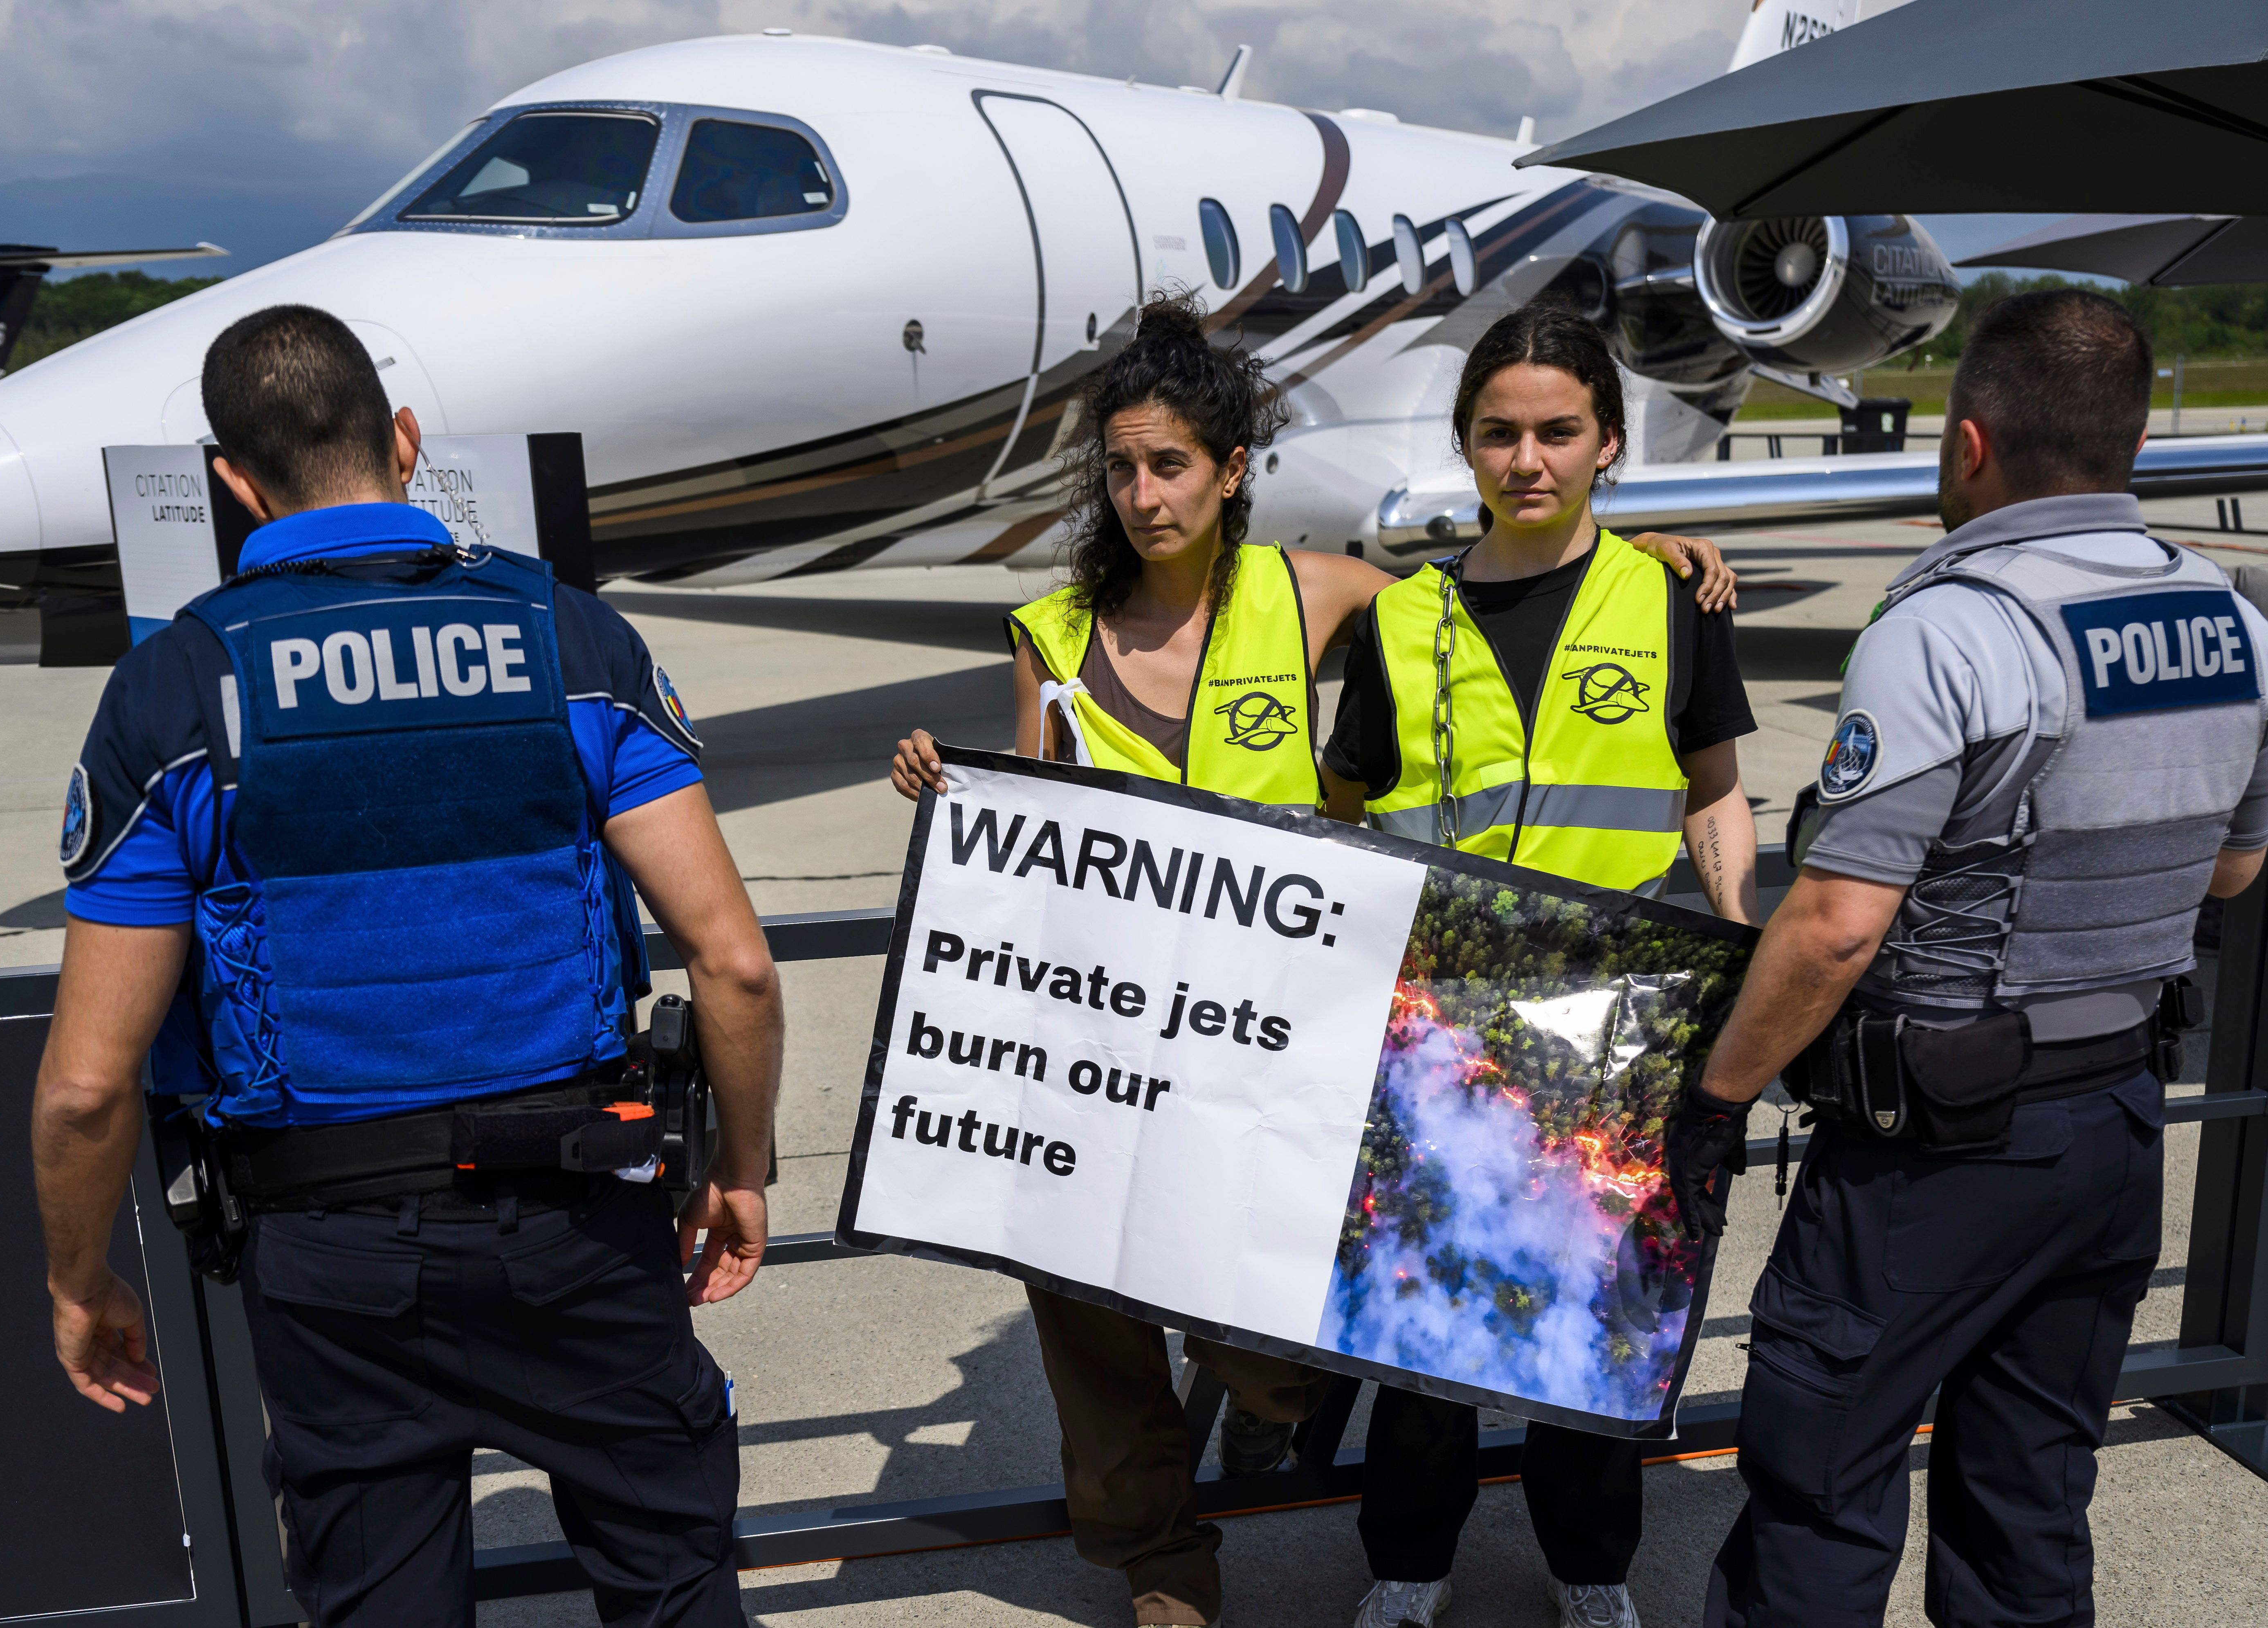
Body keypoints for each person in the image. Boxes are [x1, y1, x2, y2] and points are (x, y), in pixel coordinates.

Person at [889, 290, 1735, 1628]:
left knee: (1276, 1319)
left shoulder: (1317, 592)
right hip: (1107, 1038)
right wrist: (949, 782)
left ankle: (1277, 1397)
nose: (1141, 493)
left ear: (1232, 472)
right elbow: (1026, 828)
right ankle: (1162, 1564)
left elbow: (1487, 606)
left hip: (1272, 1044)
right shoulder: (1050, 634)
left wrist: (1647, 558)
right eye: (1117, 468)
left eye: (1168, 464)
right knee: (1093, 1319)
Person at [29, 305, 781, 1628]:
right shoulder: (571, 639)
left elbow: (89, 1088)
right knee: (675, 1594)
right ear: (408, 440)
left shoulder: (174, 689)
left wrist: (79, 1281)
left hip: (332, 1264)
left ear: (232, 481)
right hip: (580, 1221)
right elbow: (733, 964)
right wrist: (740, 1170)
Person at [1675, 288, 2268, 1627]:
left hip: (1930, 1154)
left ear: (1968, 444)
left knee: (1819, 1494)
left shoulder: (1947, 625)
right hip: (2116, 1127)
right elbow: (2233, 867)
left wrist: (1715, 1100)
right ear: (2127, 443)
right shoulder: (2229, 619)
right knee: (2028, 1502)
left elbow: (1834, 922)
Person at [1319, 302, 1759, 1628]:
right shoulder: (1404, 621)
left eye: (1556, 432)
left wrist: (1736, 943)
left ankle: (1590, 1572)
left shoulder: (1671, 597)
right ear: (1463, 447)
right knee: (1420, 1319)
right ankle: (1405, 1568)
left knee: (1596, 1307)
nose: (1527, 459)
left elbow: (1715, 792)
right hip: (1443, 1022)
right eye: (1499, 433)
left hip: (1620, 1017)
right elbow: (1342, 814)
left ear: (1607, 442)